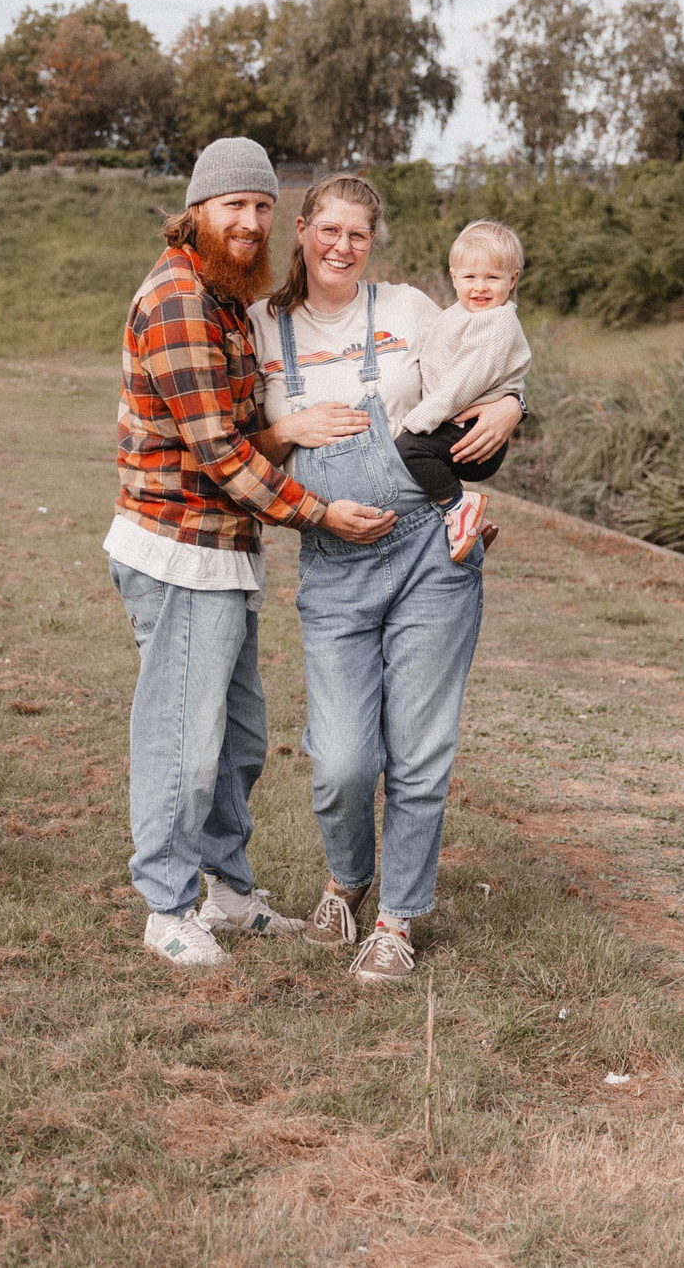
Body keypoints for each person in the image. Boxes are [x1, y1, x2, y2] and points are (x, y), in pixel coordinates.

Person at [107, 138, 397, 969]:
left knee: (238, 739)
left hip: (223, 550)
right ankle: (166, 907)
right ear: (198, 207)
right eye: (235, 204)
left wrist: (292, 431)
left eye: (263, 206)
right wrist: (321, 513)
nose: (250, 220)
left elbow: (239, 436)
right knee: (182, 742)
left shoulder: (227, 296)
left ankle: (228, 892)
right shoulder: (179, 301)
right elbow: (222, 459)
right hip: (178, 553)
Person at [251, 175, 524, 984]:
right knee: (340, 760)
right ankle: (347, 874)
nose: (341, 246)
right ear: (300, 231)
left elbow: (490, 348)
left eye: (358, 235)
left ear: (372, 242)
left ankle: (396, 918)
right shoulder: (263, 324)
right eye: (327, 230)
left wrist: (512, 402)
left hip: (428, 554)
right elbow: (236, 449)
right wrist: (288, 429)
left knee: (419, 748)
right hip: (331, 557)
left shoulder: (409, 309)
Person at [392, 219, 531, 563]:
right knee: (416, 457)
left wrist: (416, 421)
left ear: (512, 279)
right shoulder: (456, 315)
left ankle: (461, 507)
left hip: (478, 434)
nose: (480, 287)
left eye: (493, 278)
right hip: (456, 427)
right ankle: (470, 526)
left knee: (409, 448)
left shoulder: (498, 323)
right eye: (470, 278)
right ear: (454, 277)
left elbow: (463, 382)